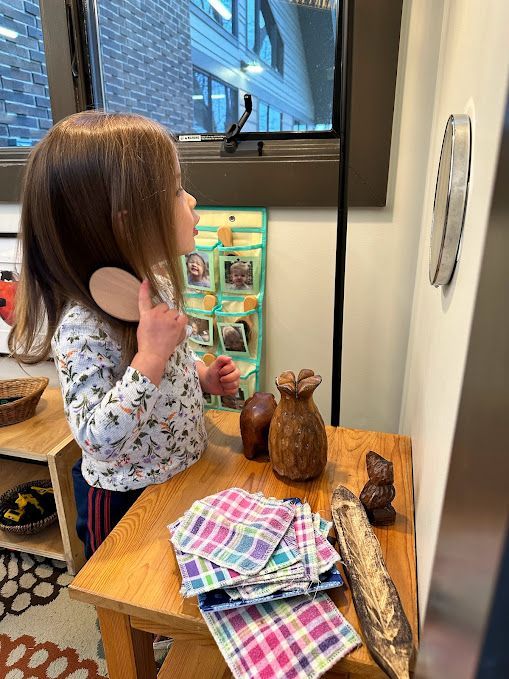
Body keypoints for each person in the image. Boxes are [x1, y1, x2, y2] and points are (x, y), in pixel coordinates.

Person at [8, 111, 240, 560]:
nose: (192, 201)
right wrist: (150, 357)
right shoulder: (81, 327)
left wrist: (201, 376)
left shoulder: (157, 283)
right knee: (125, 603)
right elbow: (96, 438)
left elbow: (172, 363)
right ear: (127, 223)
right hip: (122, 499)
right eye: (176, 190)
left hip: (183, 470)